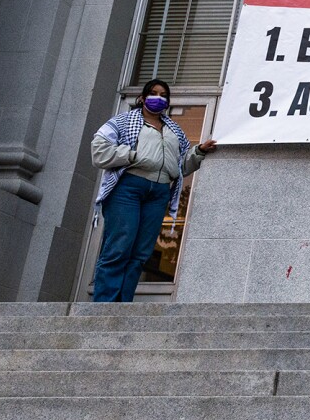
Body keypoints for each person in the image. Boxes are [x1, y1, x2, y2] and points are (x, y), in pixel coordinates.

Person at [89, 80, 216, 302]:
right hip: (128, 188)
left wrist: (199, 151)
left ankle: (122, 304)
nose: (158, 98)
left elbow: (182, 164)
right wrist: (132, 155)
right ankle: (104, 305)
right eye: (153, 93)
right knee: (119, 247)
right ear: (142, 97)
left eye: (163, 95)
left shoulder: (174, 130)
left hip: (158, 193)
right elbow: (99, 151)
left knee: (140, 254)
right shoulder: (123, 121)